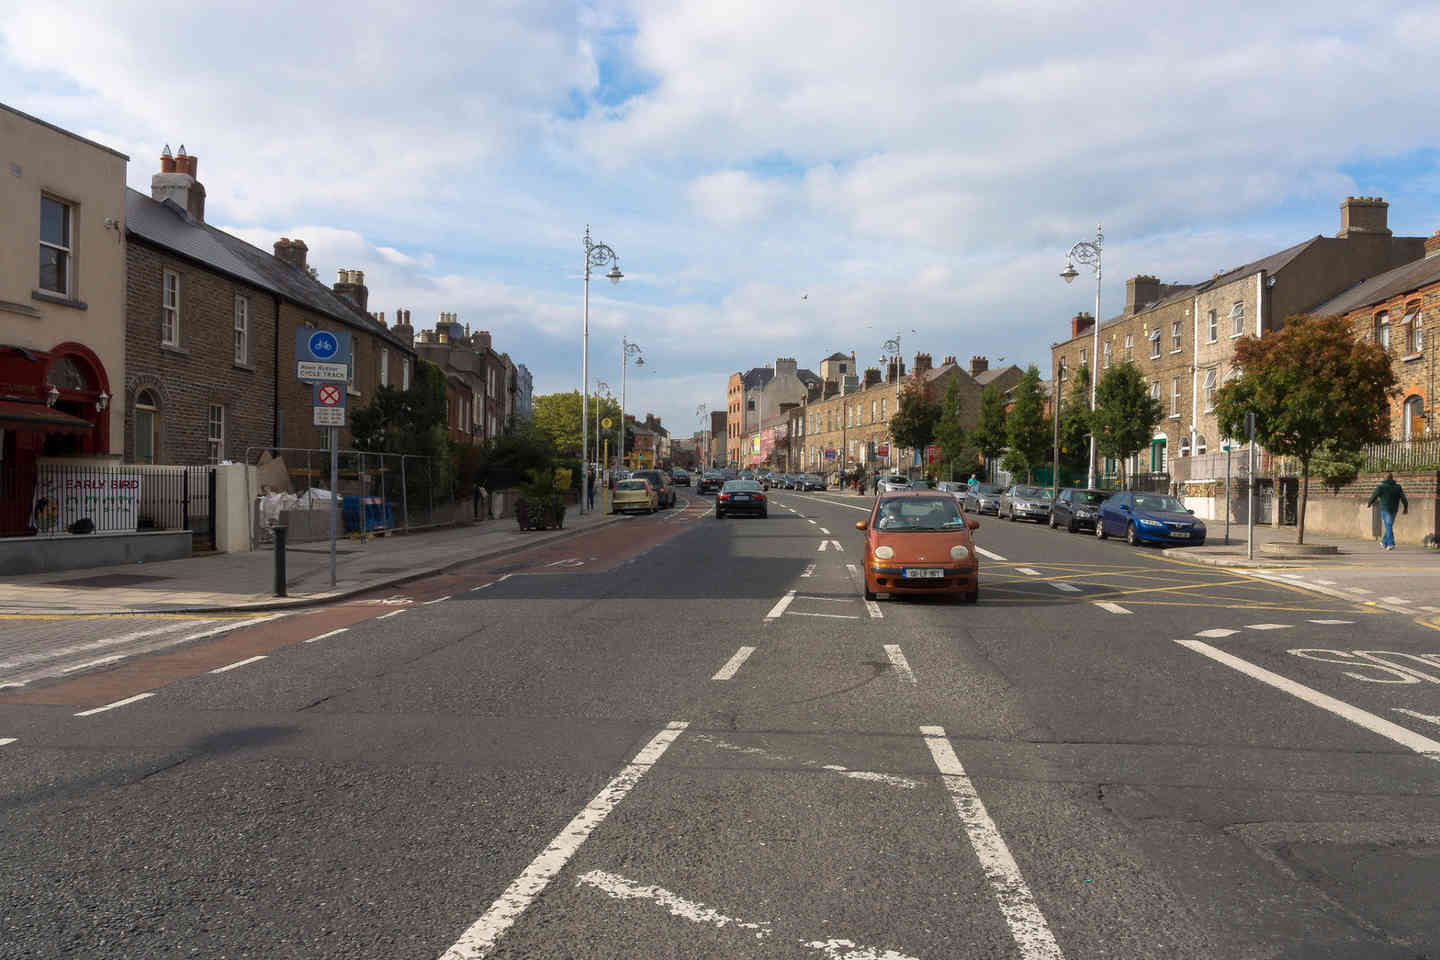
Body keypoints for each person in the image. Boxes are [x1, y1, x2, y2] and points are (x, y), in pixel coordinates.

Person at [1367, 472, 1408, 550]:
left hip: (1385, 509)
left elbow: (1374, 495)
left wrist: (1369, 503)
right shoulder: (1398, 487)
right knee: (1389, 526)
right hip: (1394, 509)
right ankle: (1383, 542)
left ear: (1384, 478)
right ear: (1392, 478)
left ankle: (1391, 543)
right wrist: (1405, 507)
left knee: (1388, 526)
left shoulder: (1381, 487)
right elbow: (1403, 497)